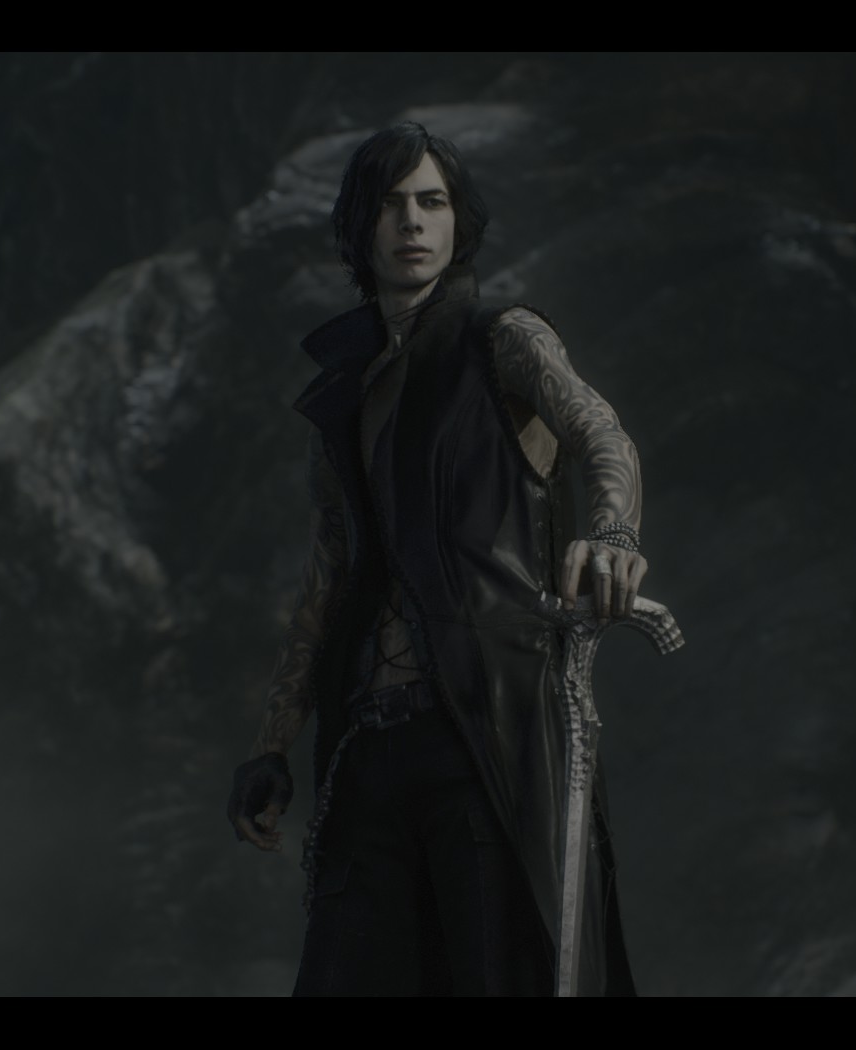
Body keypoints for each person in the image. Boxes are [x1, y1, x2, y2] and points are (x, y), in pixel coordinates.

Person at [227, 122, 646, 996]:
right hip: (367, 751)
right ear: (360, 226)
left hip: (486, 737)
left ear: (459, 221)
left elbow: (600, 433)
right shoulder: (343, 401)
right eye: (391, 204)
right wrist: (272, 746)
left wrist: (612, 536)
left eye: (432, 202)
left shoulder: (505, 340)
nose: (413, 222)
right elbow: (328, 582)